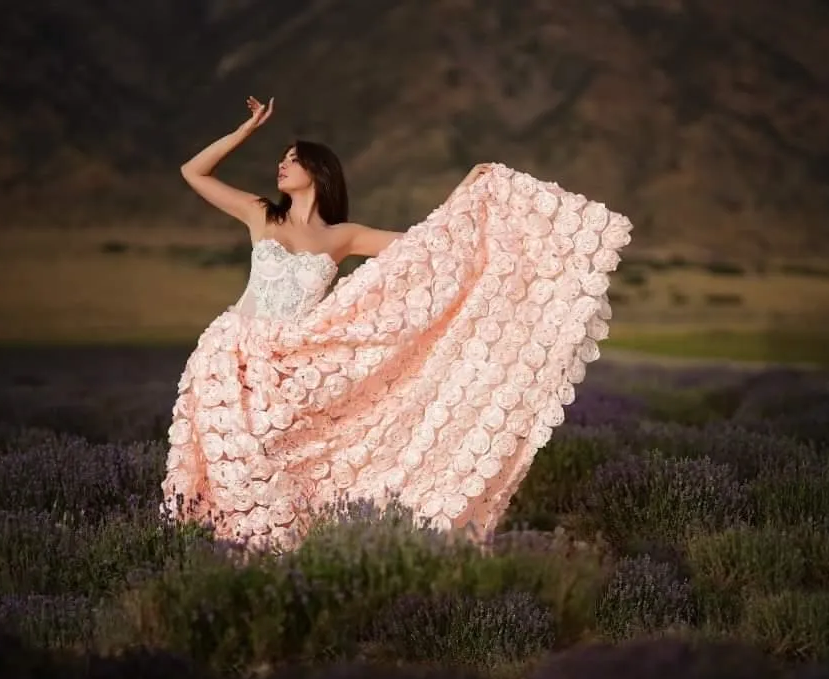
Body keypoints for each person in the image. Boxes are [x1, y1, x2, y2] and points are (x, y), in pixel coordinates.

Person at [161, 96, 633, 550]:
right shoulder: (262, 214)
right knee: (234, 464)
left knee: (285, 463)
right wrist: (244, 131)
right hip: (234, 355)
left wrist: (469, 193)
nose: (281, 165)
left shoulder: (343, 236)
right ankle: (217, 551)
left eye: (292, 158)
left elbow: (429, 245)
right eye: (281, 158)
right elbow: (192, 172)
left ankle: (286, 554)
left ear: (318, 172)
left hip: (295, 365)